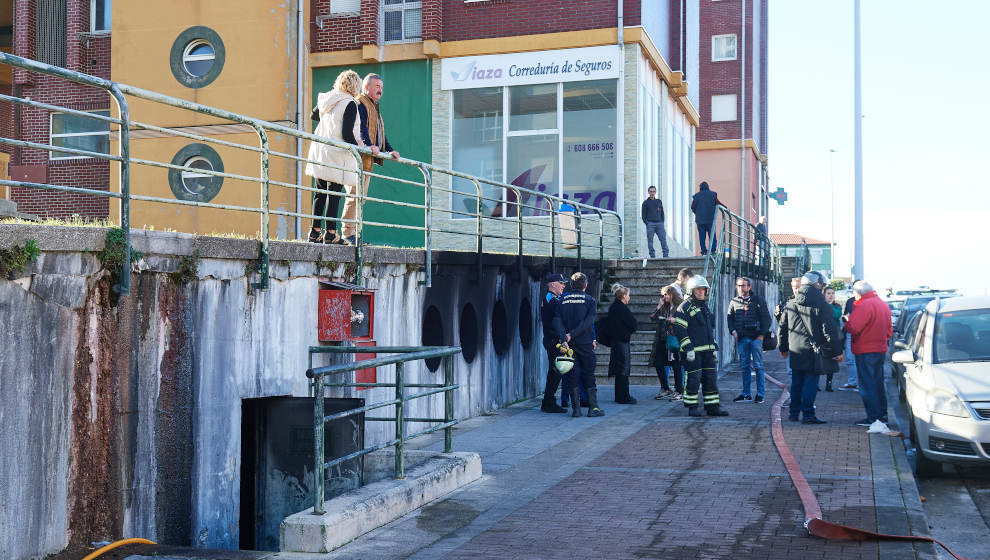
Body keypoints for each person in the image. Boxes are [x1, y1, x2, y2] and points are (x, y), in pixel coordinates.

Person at [304, 69, 365, 245]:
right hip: (337, 153)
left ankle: (314, 232)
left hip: (321, 149)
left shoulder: (328, 98)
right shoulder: (350, 103)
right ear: (355, 86)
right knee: (334, 192)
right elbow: (347, 133)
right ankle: (331, 233)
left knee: (320, 192)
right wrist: (357, 147)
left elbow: (313, 115)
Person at [341, 73, 401, 244]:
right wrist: (368, 147)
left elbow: (380, 134)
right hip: (358, 158)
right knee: (354, 195)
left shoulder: (374, 106)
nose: (380, 90)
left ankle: (354, 234)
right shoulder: (360, 102)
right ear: (366, 87)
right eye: (377, 86)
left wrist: (390, 150)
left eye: (381, 87)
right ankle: (347, 234)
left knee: (361, 197)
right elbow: (361, 129)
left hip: (367, 159)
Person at [778, 271, 840, 424]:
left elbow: (783, 327)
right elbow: (830, 330)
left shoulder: (791, 303)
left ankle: (793, 413)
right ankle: (808, 414)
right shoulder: (822, 305)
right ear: (818, 286)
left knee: (797, 382)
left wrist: (783, 348)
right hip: (813, 351)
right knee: (811, 383)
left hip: (795, 350)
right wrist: (837, 351)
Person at [673, 275, 728, 417]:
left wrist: (713, 347)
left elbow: (708, 330)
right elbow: (680, 329)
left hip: (707, 352)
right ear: (691, 290)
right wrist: (688, 348)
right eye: (698, 290)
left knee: (710, 379)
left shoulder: (704, 306)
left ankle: (712, 407)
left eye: (703, 290)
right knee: (693, 379)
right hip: (693, 353)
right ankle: (692, 407)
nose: (701, 292)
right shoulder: (684, 307)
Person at [552, 272, 604, 417]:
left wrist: (564, 338)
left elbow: (556, 321)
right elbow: (587, 322)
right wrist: (571, 335)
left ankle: (576, 410)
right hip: (585, 343)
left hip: (569, 345)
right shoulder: (590, 300)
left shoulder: (561, 299)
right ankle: (593, 408)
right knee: (588, 374)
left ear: (571, 285)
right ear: (585, 286)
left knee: (572, 375)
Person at [844, 280, 893, 426]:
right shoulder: (882, 304)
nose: (853, 295)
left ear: (858, 293)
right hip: (879, 348)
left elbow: (853, 327)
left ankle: (873, 417)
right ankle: (881, 415)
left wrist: (847, 320)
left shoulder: (864, 305)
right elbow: (889, 329)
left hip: (865, 349)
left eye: (853, 292)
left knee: (867, 384)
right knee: (878, 383)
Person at [728, 276, 771, 404]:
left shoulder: (758, 300)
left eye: (744, 285)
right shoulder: (734, 302)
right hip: (742, 339)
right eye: (739, 285)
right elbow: (729, 318)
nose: (742, 288)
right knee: (745, 366)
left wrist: (761, 336)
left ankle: (760, 394)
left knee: (758, 366)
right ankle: (746, 394)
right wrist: (733, 331)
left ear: (749, 287)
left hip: (756, 338)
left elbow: (767, 319)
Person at [540, 273, 569, 413]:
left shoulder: (555, 298)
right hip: (553, 340)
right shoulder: (550, 298)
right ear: (552, 284)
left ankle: (549, 401)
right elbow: (562, 312)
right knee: (555, 371)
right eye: (561, 283)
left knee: (557, 372)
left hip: (555, 339)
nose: (564, 286)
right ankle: (548, 402)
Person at [650, 285, 684, 401]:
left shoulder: (680, 306)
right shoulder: (664, 307)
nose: (664, 297)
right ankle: (665, 388)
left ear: (672, 294)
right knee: (658, 363)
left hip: (674, 340)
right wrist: (658, 306)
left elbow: (685, 322)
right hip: (662, 340)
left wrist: (674, 321)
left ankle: (679, 390)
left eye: (666, 294)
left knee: (676, 366)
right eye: (663, 295)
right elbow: (652, 318)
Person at [607, 283, 638, 404]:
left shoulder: (613, 307)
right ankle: (624, 396)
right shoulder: (622, 308)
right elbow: (633, 324)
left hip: (615, 341)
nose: (629, 297)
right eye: (628, 295)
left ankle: (619, 395)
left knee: (620, 369)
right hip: (622, 341)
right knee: (624, 369)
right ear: (624, 296)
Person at [691, 181, 722, 255]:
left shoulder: (696, 196)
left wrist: (697, 213)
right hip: (710, 220)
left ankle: (704, 251)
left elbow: (692, 207)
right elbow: (718, 203)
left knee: (702, 237)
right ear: (708, 187)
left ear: (700, 187)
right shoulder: (713, 194)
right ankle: (712, 250)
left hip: (700, 220)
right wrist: (726, 208)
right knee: (712, 236)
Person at [823, 286, 844, 392]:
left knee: (832, 360)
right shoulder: (820, 305)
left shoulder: (837, 306)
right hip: (822, 336)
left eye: (832, 293)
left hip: (833, 336)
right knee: (820, 359)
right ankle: (816, 384)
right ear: (824, 294)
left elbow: (835, 315)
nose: (831, 295)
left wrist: (828, 306)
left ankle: (829, 384)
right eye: (828, 293)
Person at [838, 291, 859, 391]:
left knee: (860, 360)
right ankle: (852, 383)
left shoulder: (867, 302)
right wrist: (846, 319)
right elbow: (845, 316)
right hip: (849, 332)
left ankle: (859, 383)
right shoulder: (850, 301)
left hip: (861, 334)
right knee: (850, 359)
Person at [641, 186, 669, 259]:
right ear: (648, 192)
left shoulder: (659, 201)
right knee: (650, 241)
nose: (652, 193)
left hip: (660, 224)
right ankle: (652, 256)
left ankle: (666, 255)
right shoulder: (645, 203)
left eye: (653, 191)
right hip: (650, 224)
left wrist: (662, 221)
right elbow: (643, 215)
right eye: (651, 191)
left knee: (663, 239)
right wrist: (647, 223)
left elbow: (662, 212)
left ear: (655, 192)